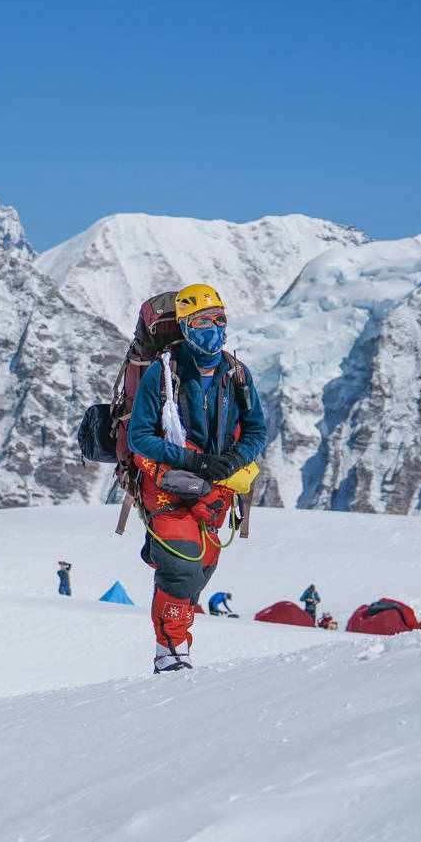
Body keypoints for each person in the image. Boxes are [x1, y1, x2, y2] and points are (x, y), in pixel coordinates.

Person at [127, 283, 268, 673]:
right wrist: (194, 460)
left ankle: (163, 563)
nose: (213, 328)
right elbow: (140, 437)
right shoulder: (163, 372)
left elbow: (257, 430)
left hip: (216, 490)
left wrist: (230, 461)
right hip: (168, 484)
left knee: (201, 569)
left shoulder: (237, 373)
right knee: (185, 565)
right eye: (202, 321)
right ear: (186, 327)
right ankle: (171, 652)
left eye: (218, 319)